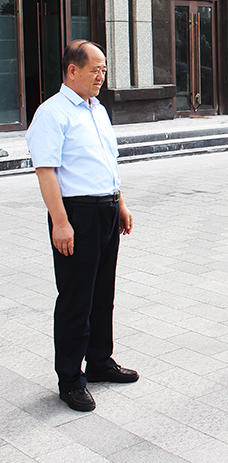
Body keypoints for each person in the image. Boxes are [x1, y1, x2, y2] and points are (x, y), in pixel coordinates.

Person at [26, 40, 139, 412]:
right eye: (95, 69)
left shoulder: (98, 110)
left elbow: (108, 162)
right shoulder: (52, 113)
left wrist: (119, 203)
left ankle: (100, 361)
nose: (101, 76)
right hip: (76, 213)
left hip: (106, 208)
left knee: (102, 292)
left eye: (104, 69)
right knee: (76, 297)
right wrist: (61, 222)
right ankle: (70, 379)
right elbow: (46, 171)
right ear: (72, 70)